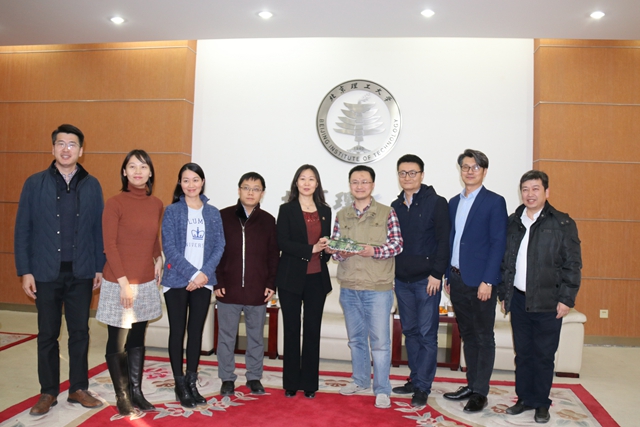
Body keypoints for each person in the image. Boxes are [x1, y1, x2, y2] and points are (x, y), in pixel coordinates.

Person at [14, 124, 105, 416]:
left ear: (81, 150)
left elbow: (98, 229)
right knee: (47, 334)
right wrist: (25, 270)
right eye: (61, 143)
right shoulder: (34, 183)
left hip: (81, 272)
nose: (66, 149)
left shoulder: (92, 185)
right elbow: (23, 229)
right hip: (44, 272)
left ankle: (78, 388)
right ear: (53, 148)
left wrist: (99, 267)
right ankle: (48, 392)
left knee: (80, 332)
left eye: (72, 144)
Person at [498, 170, 581, 424]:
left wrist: (566, 299)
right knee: (523, 354)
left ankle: (541, 403)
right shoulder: (513, 222)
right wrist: (504, 293)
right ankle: (524, 399)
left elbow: (572, 265)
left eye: (535, 189)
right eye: (525, 189)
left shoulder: (563, 223)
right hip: (519, 299)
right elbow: (505, 262)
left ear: (547, 192)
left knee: (543, 355)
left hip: (548, 301)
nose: (530, 194)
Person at [329, 165, 403, 410]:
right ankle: (360, 380)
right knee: (356, 340)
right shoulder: (342, 215)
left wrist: (374, 251)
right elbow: (337, 251)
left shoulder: (387, 212)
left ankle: (382, 389)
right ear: (350, 186)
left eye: (364, 181)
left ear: (372, 185)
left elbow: (397, 245)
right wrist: (338, 252)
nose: (359, 186)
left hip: (378, 288)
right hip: (349, 287)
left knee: (380, 343)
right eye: (355, 182)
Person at [96, 149, 163, 416]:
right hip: (119, 282)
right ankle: (122, 394)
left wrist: (159, 258)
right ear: (124, 172)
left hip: (145, 281)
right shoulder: (114, 203)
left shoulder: (156, 203)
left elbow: (152, 238)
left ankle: (136, 391)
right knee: (118, 341)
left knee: (137, 338)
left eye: (143, 167)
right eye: (132, 166)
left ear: (150, 172)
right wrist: (124, 283)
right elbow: (110, 246)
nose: (138, 171)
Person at [443, 148, 507, 412]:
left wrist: (488, 280)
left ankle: (481, 392)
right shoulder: (453, 202)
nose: (470, 171)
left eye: (475, 167)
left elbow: (498, 243)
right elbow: (451, 241)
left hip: (481, 282)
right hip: (457, 279)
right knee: (468, 335)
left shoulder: (494, 201)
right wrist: (447, 275)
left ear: (484, 171)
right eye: (465, 167)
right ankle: (471, 384)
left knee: (483, 336)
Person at [162, 163, 225, 408]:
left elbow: (219, 246)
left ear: (202, 182)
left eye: (195, 180)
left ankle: (191, 381)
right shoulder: (172, 211)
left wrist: (203, 274)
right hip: (177, 280)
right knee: (177, 331)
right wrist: (192, 274)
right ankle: (179, 384)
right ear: (180, 183)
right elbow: (169, 248)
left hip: (204, 282)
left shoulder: (213, 212)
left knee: (196, 331)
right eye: (186, 180)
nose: (191, 185)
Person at [390, 154, 450, 407]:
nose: (407, 177)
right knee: (410, 332)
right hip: (402, 281)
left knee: (427, 334)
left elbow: (444, 241)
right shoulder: (395, 206)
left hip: (427, 281)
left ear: (422, 175)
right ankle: (415, 380)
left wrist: (437, 274)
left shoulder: (436, 202)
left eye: (412, 172)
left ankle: (423, 387)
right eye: (403, 173)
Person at [215, 172, 279, 397]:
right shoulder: (223, 216)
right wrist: (217, 281)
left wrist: (271, 283)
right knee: (226, 337)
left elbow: (273, 255)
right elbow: (215, 252)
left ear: (262, 193)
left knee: (255, 336)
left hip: (257, 289)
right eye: (246, 187)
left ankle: (254, 377)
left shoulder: (268, 220)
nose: (251, 192)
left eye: (256, 188)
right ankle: (227, 378)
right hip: (228, 287)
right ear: (239, 190)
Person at [275, 165, 332, 399]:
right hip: (290, 278)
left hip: (317, 278)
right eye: (302, 178)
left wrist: (327, 249)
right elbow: (282, 242)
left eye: (311, 179)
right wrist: (311, 249)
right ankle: (291, 382)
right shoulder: (286, 209)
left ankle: (309, 383)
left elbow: (325, 244)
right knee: (291, 329)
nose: (307, 183)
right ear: (296, 183)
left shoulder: (325, 210)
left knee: (312, 330)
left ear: (317, 184)